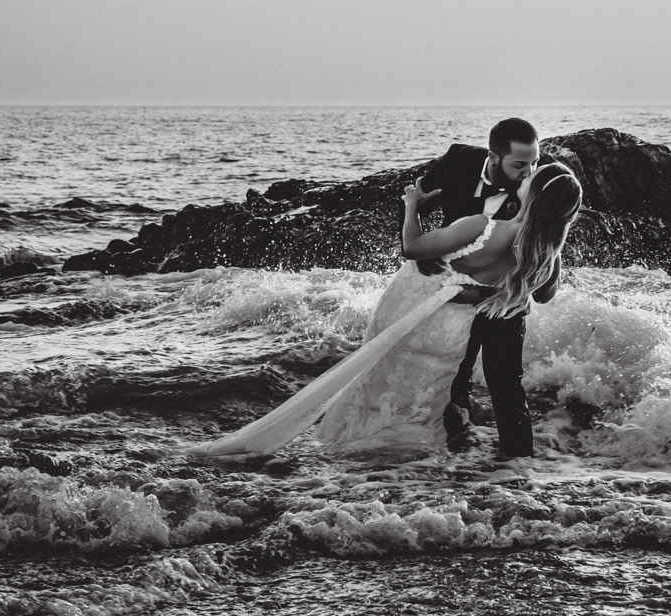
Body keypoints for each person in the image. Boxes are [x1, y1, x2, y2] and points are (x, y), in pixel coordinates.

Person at [187, 161, 582, 460]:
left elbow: (413, 248)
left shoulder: (484, 226)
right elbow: (543, 296)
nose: (524, 176)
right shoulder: (545, 252)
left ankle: (372, 451)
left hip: (426, 315)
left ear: (532, 192)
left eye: (531, 176)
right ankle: (496, 464)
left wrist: (412, 206)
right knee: (433, 393)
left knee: (382, 375)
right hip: (455, 331)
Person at [412, 118, 559, 458]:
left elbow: (545, 249)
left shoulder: (539, 182)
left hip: (507, 296)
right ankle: (458, 461)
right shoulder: (457, 163)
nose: (530, 172)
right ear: (494, 159)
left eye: (535, 162)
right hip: (456, 293)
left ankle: (519, 470)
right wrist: (424, 257)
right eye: (520, 165)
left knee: (507, 385)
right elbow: (415, 204)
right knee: (452, 380)